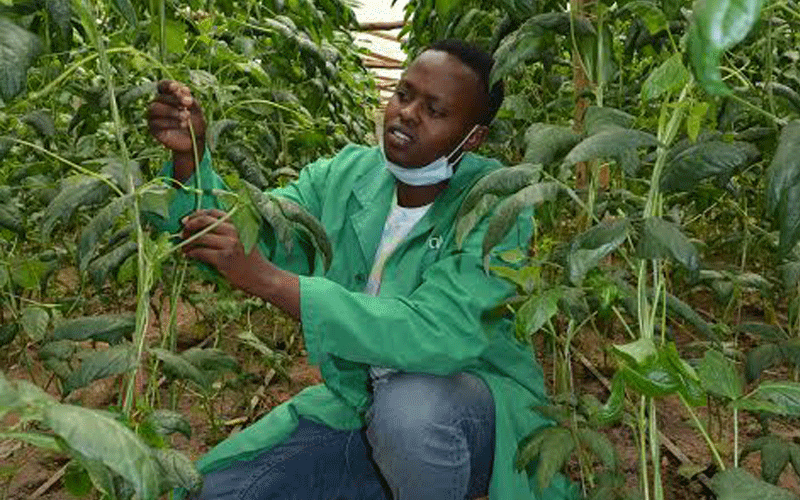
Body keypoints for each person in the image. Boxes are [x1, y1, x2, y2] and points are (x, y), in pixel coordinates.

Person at [148, 39, 575, 500]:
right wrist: (190, 158)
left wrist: (271, 281)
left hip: (465, 417)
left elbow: (439, 332)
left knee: (409, 414)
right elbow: (257, 235)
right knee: (212, 491)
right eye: (404, 95)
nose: (407, 113)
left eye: (434, 110)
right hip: (359, 404)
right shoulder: (345, 175)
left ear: (471, 139)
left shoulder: (496, 203)